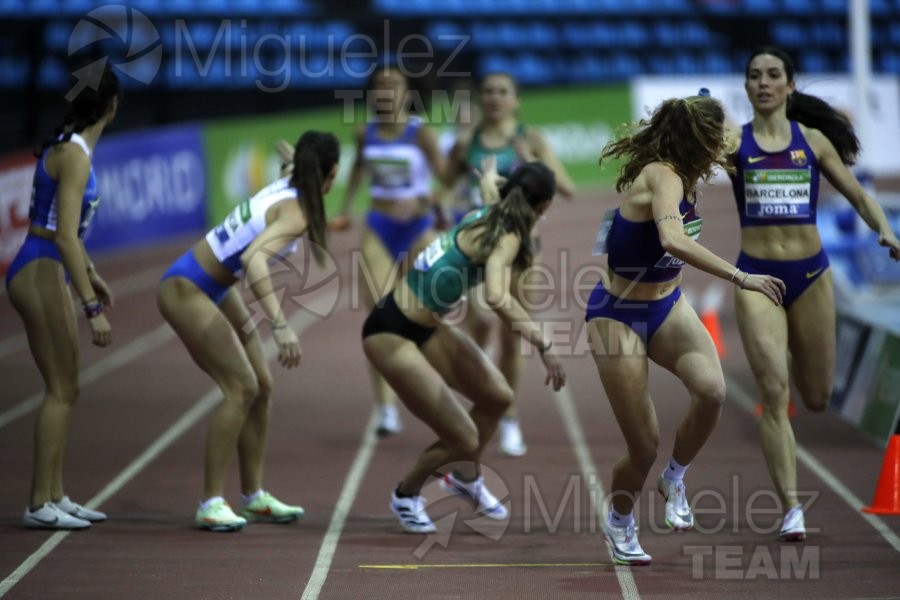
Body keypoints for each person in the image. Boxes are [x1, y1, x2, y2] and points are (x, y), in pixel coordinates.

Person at [587, 94, 785, 565]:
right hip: (617, 315)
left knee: (712, 391)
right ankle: (619, 520)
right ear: (703, 139)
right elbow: (672, 238)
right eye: (722, 136)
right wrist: (742, 277)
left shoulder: (690, 175)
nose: (727, 144)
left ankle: (675, 477)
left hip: (668, 307)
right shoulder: (661, 175)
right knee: (643, 446)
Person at [728, 46, 900, 542]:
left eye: (773, 74)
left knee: (818, 396)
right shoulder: (731, 142)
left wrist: (885, 230)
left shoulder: (814, 141)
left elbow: (860, 195)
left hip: (811, 275)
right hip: (757, 277)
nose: (763, 82)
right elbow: (684, 167)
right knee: (774, 393)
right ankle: (791, 508)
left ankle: (804, 384)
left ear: (789, 85)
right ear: (746, 88)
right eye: (754, 75)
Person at [362, 158, 566, 534]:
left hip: (426, 326)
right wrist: (543, 342)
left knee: (498, 398)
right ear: (544, 206)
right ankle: (406, 495)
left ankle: (464, 478)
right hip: (390, 332)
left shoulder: (492, 208)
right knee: (463, 436)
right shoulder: (506, 235)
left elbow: (490, 187)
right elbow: (497, 297)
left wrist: (488, 174)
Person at [157, 131, 340, 532]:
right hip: (186, 289)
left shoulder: (293, 177)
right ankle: (210, 501)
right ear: (333, 174)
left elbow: (290, 156)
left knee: (262, 384)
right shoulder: (296, 213)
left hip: (213, 285)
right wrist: (282, 327)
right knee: (241, 387)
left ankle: (254, 496)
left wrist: (290, 152)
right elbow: (255, 262)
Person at [7, 67, 119, 530]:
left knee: (68, 388)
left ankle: (56, 495)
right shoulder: (74, 156)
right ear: (112, 105)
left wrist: (92, 275)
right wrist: (91, 306)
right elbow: (66, 237)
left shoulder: (72, 148)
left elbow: (66, 233)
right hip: (40, 267)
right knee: (59, 389)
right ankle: (38, 503)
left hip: (47, 265)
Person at [444, 72, 576, 458]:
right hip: (476, 250)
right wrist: (440, 202)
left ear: (515, 100)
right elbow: (444, 183)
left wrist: (532, 160)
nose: (494, 98)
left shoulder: (529, 138)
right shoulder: (468, 141)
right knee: (482, 322)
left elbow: (566, 188)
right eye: (488, 91)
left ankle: (510, 417)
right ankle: (479, 399)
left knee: (511, 337)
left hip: (521, 249)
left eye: (503, 91)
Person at [330, 65, 445, 438]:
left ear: (407, 91)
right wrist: (345, 208)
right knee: (379, 320)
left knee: (429, 314)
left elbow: (450, 178)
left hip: (417, 229)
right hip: (378, 227)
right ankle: (385, 409)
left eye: (394, 84)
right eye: (380, 85)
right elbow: (359, 170)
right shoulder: (365, 132)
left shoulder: (421, 133)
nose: (386, 90)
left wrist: (424, 200)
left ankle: (442, 395)